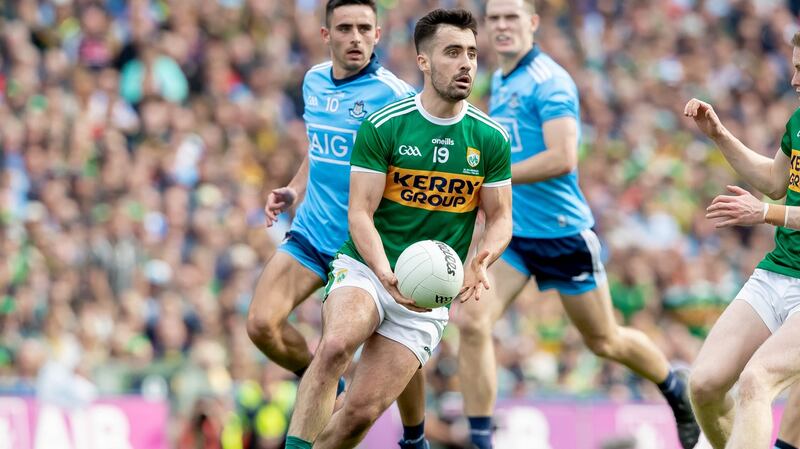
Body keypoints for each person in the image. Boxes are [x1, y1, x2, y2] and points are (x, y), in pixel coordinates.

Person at [452, 1, 700, 448]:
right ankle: (481, 439)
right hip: (515, 235)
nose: (502, 25)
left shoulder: (550, 81)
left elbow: (563, 157)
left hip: (562, 233)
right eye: (495, 18)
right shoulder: (501, 78)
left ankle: (674, 388)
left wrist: (491, 177)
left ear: (532, 22)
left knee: (604, 341)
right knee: (471, 322)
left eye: (512, 17)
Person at [283, 8, 513, 449]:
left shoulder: (490, 138)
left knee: (359, 415)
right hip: (368, 267)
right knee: (335, 346)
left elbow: (501, 217)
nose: (466, 63)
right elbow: (360, 213)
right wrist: (384, 271)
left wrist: (484, 257)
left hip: (429, 294)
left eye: (471, 53)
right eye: (452, 52)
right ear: (423, 61)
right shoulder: (384, 125)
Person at [244, 1, 430, 448]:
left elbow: (417, 172)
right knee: (261, 325)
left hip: (367, 246)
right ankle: (329, 383)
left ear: (378, 34)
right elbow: (320, 147)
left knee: (398, 339)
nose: (355, 37)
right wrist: (295, 189)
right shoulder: (313, 80)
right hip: (312, 233)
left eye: (364, 28)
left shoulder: (397, 96)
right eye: (345, 28)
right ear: (326, 35)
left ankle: (414, 435)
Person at [685, 32, 800, 447]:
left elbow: (769, 203)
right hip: (778, 272)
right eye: (794, 67)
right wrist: (719, 134)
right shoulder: (798, 121)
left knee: (756, 380)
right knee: (704, 385)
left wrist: (765, 214)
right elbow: (774, 181)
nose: (794, 80)